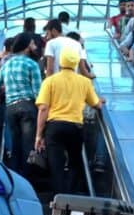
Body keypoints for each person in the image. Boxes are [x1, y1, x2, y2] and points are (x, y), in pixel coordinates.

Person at [35, 48, 103, 196]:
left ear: (60, 63)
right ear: (76, 64)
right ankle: (70, 196)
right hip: (75, 127)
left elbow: (43, 108)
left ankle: (58, 197)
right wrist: (100, 101)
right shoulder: (84, 82)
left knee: (56, 164)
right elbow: (96, 104)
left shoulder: (50, 81)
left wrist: (39, 136)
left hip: (54, 127)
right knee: (74, 162)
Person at [0, 34, 42, 175]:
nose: (34, 46)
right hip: (28, 107)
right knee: (27, 145)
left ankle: (14, 177)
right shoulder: (32, 64)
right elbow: (38, 93)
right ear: (26, 47)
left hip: (10, 108)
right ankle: (27, 180)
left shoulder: (7, 64)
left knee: (14, 145)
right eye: (31, 44)